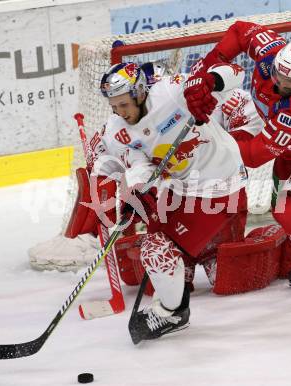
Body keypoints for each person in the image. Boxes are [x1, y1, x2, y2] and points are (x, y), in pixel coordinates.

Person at [65, 61, 263, 343]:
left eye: (124, 104)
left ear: (140, 92)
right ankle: (176, 291)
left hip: (220, 184)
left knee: (156, 250)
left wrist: (209, 85)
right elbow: (138, 163)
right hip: (182, 188)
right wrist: (137, 190)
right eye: (114, 106)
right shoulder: (117, 130)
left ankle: (173, 312)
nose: (120, 112)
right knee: (156, 240)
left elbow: (234, 72)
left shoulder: (172, 92)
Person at [183, 21, 291, 298]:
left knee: (290, 210)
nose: (280, 83)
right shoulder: (272, 52)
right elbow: (239, 31)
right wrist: (207, 70)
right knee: (283, 212)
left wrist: (211, 140)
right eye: (278, 75)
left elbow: (254, 155)